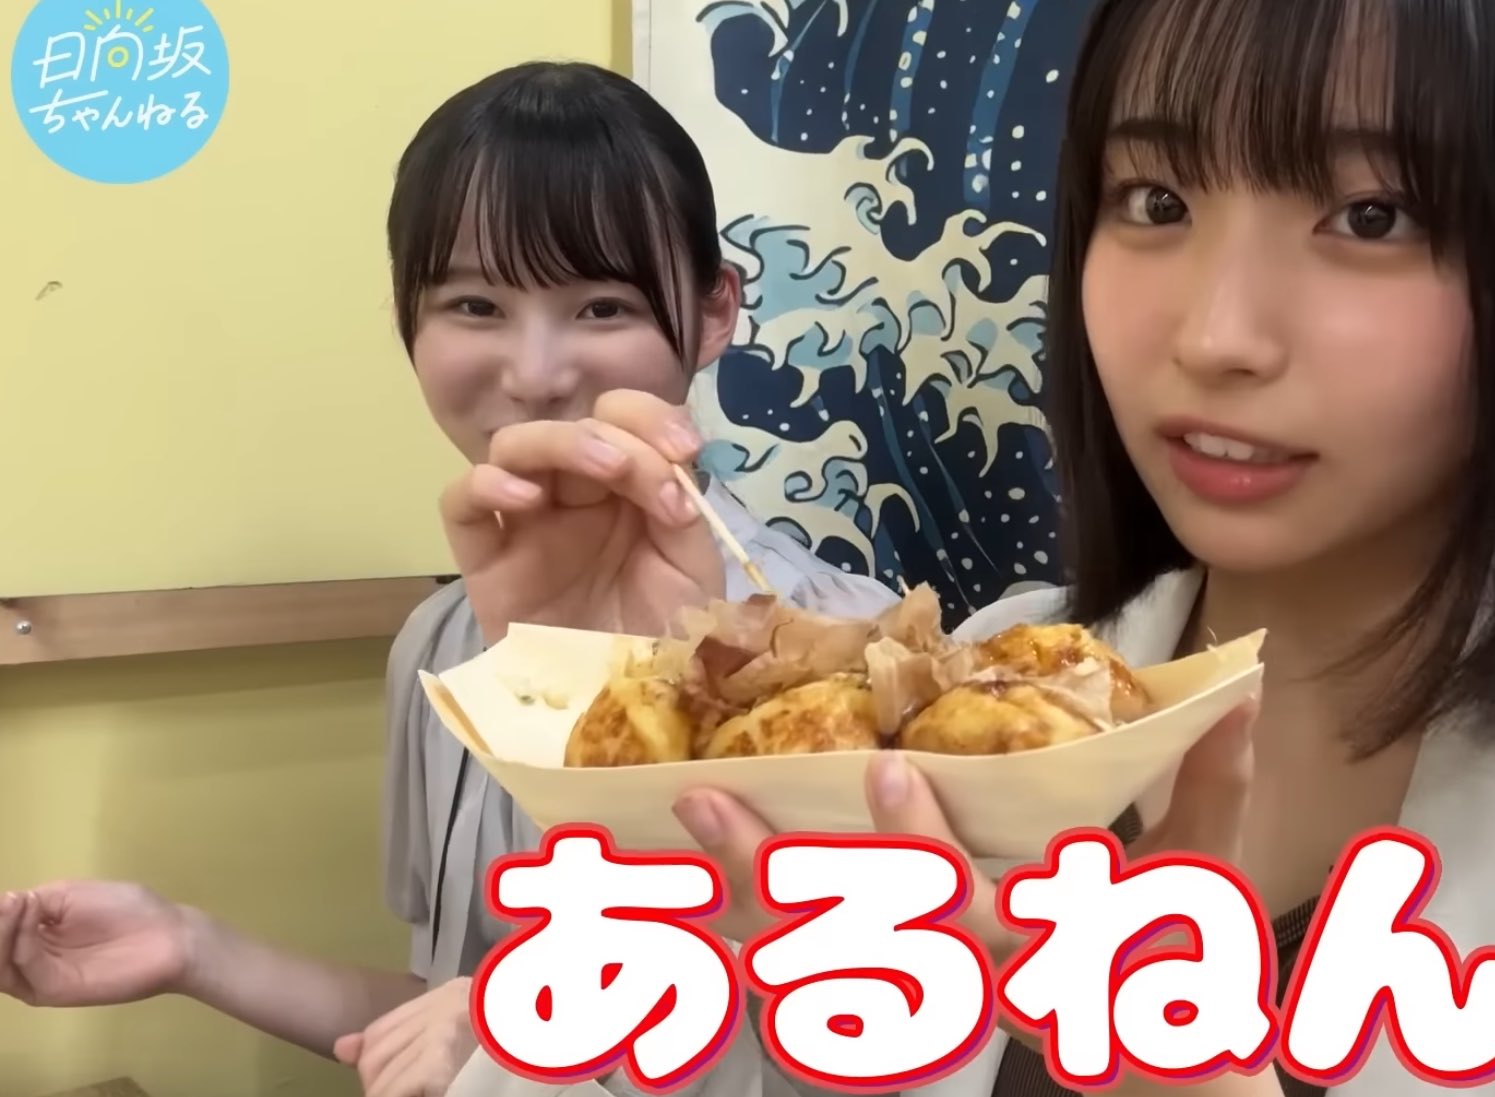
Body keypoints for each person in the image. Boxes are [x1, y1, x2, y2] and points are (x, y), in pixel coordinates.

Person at [430, 0, 1495, 1094]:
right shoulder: (987, 695)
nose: (1216, 333)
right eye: (1153, 201)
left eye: (1369, 215)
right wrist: (624, 750)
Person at [0, 61, 899, 1097]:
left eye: (601, 306)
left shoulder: (850, 661)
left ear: (713, 312)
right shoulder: (438, 645)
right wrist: (191, 948)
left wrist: (526, 1025)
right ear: (406, 318)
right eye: (475, 304)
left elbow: (859, 1052)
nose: (536, 373)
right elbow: (437, 1018)